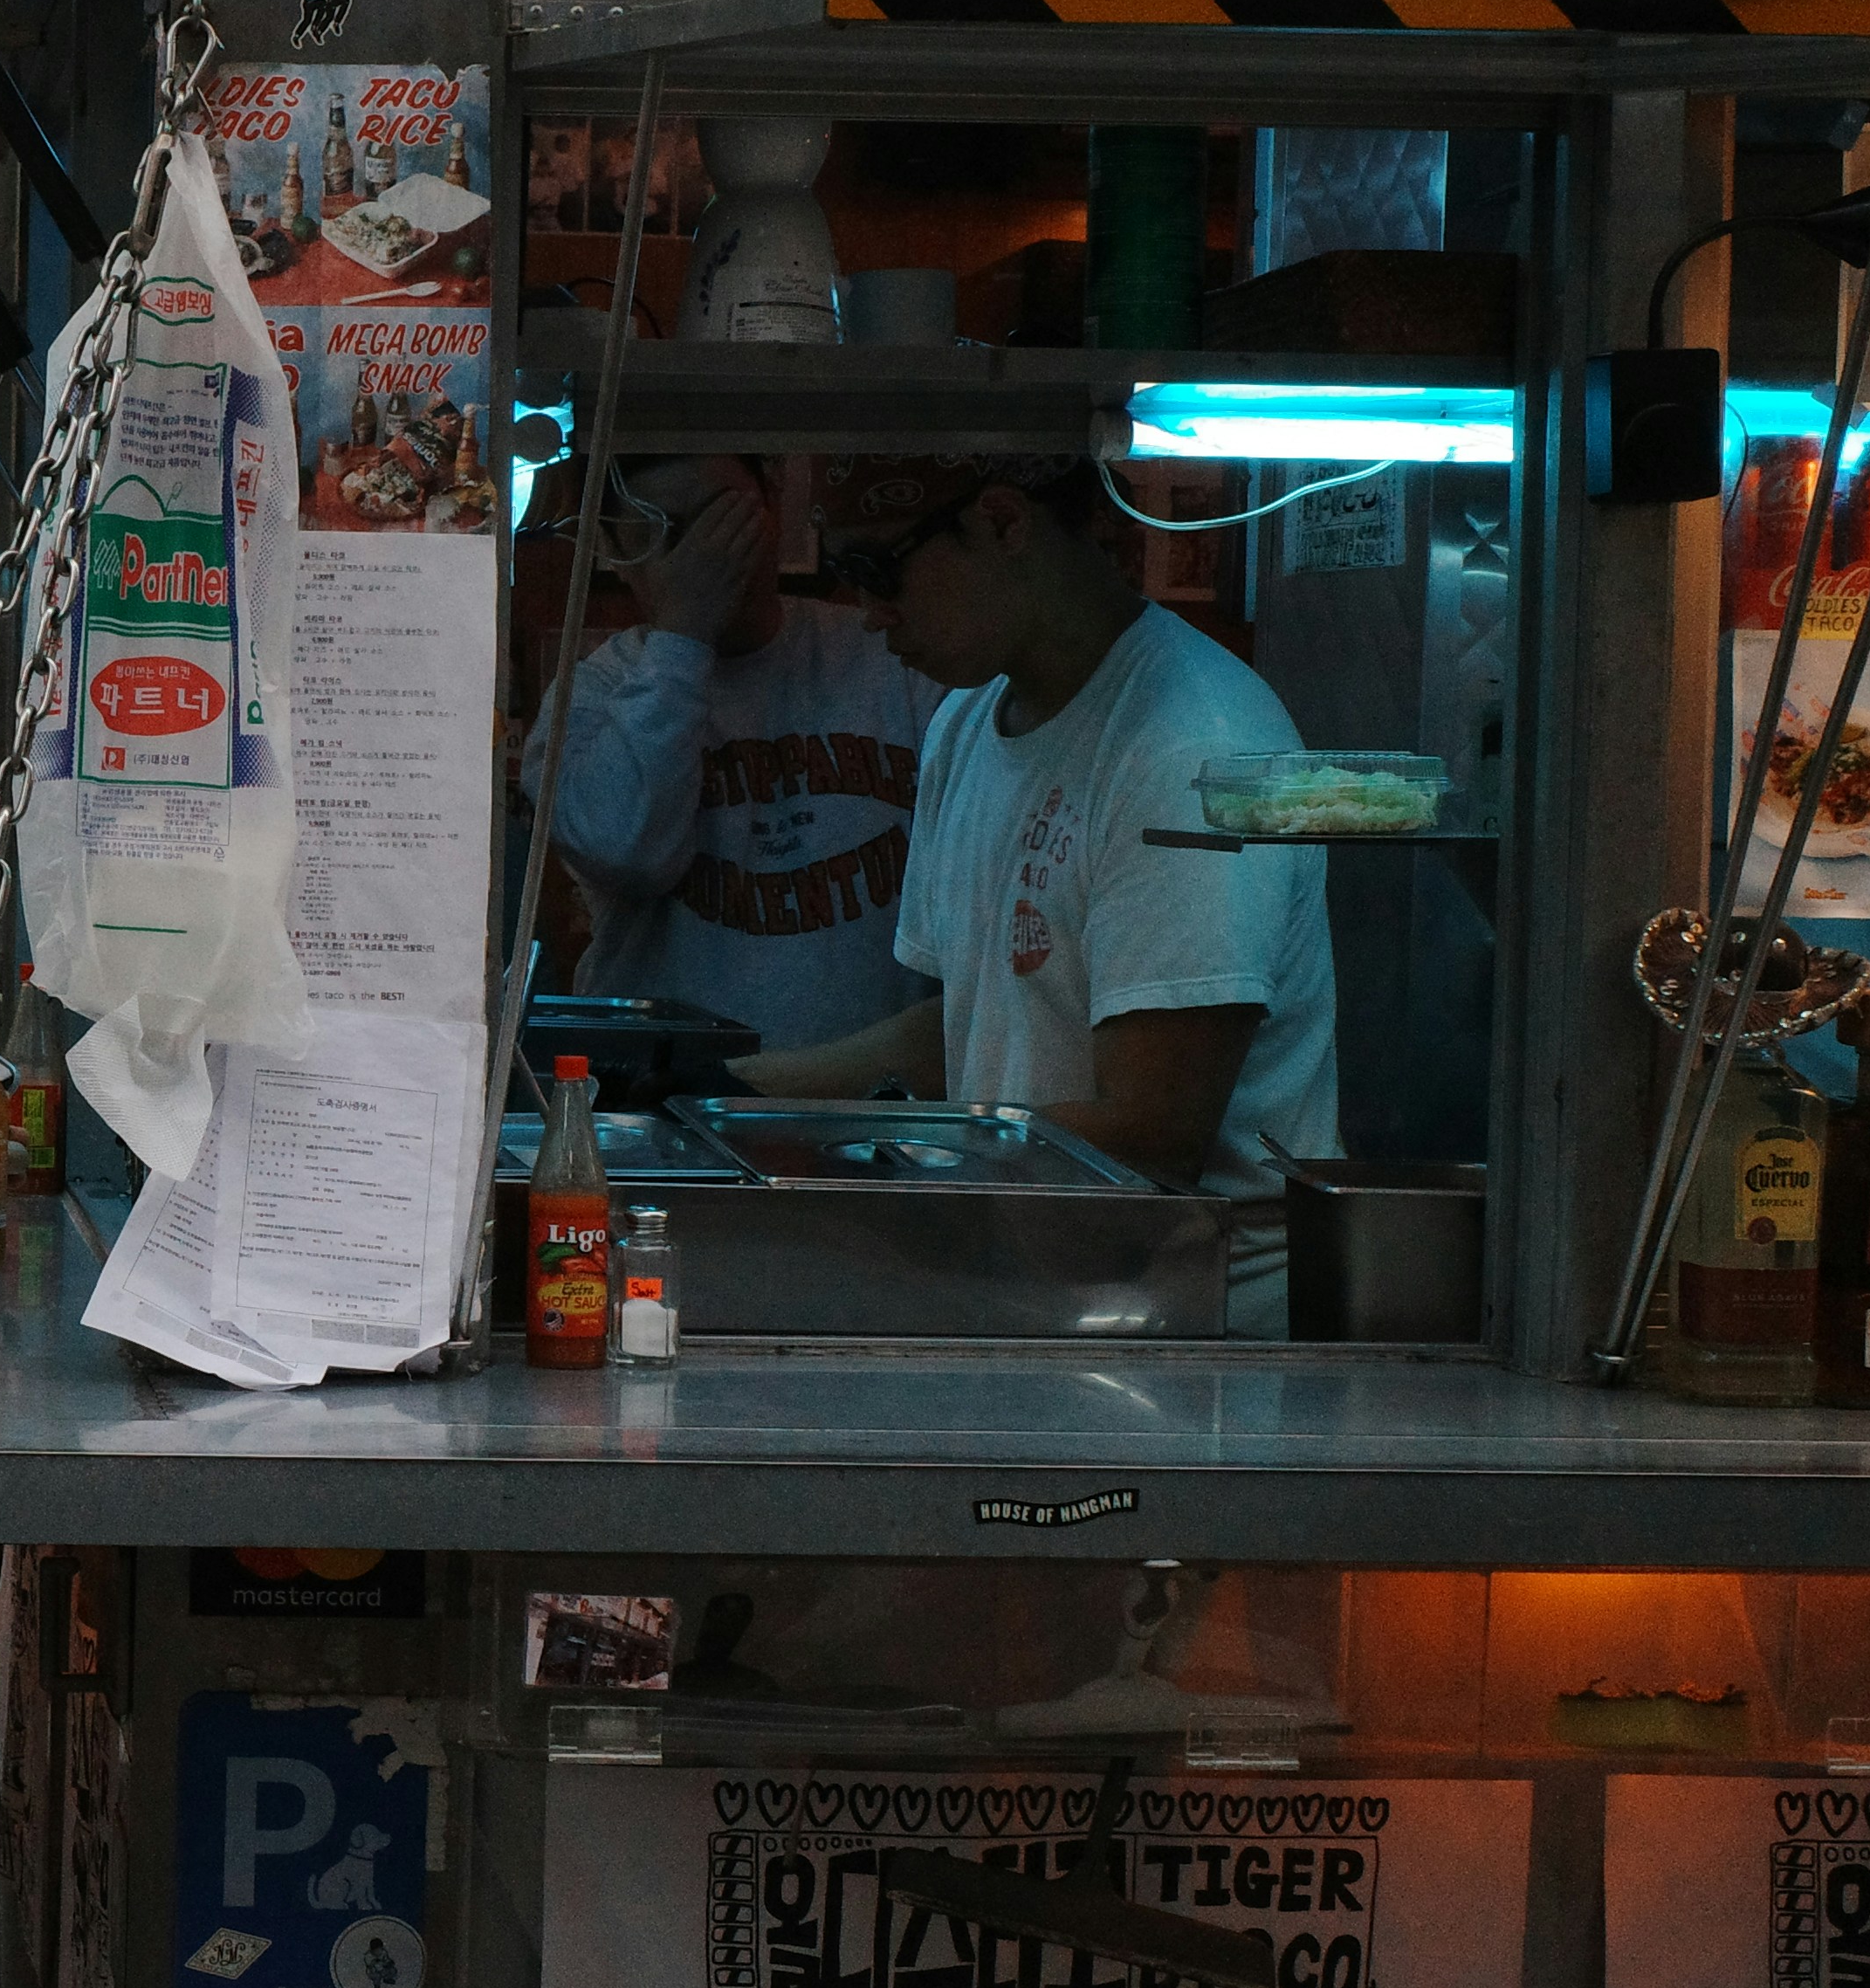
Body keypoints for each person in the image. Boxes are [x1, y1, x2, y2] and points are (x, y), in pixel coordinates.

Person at [734, 453, 1342, 1334]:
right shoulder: (967, 721)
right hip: (1041, 1290)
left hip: (1195, 1331)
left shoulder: (1186, 743)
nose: (869, 615)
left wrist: (895, 1170)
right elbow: (969, 1023)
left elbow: (1151, 1128)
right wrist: (728, 1098)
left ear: (1006, 521)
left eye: (880, 571)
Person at [519, 452, 936, 1049]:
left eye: (720, 517)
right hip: (661, 1106)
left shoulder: (892, 658)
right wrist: (684, 631)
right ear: (614, 553)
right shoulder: (592, 696)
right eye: (665, 536)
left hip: (870, 1103)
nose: (704, 556)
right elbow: (627, 850)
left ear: (769, 502)